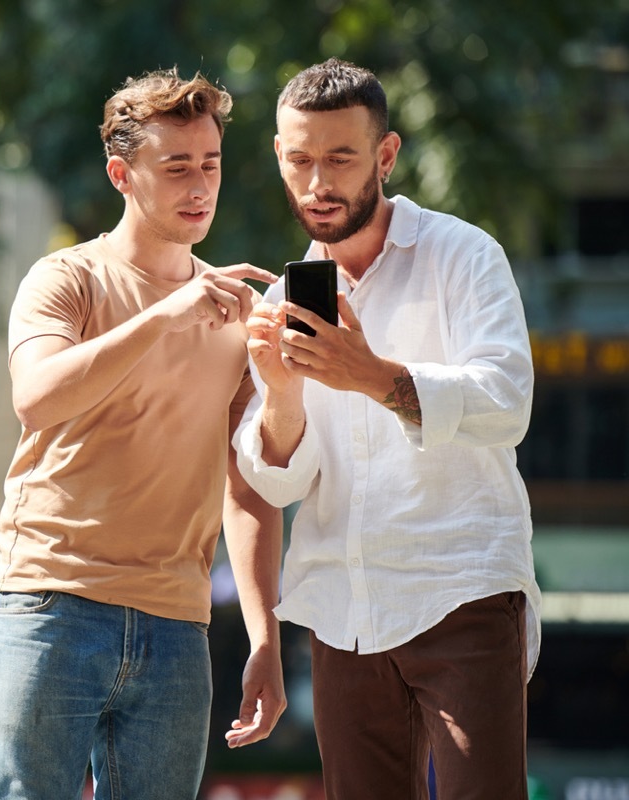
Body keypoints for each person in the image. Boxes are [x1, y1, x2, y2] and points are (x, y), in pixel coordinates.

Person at [233, 57, 542, 799]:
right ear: (278, 154)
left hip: (461, 592)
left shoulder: (464, 255)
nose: (319, 182)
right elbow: (275, 479)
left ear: (386, 154)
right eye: (301, 159)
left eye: (341, 158)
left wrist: (370, 374)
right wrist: (281, 395)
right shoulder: (282, 297)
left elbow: (508, 404)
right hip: (343, 614)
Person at [0, 67, 287, 800]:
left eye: (209, 164)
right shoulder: (65, 278)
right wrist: (169, 312)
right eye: (175, 167)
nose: (199, 184)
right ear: (123, 174)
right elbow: (37, 397)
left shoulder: (238, 314)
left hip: (179, 627)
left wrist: (264, 637)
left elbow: (249, 485)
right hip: (52, 602)